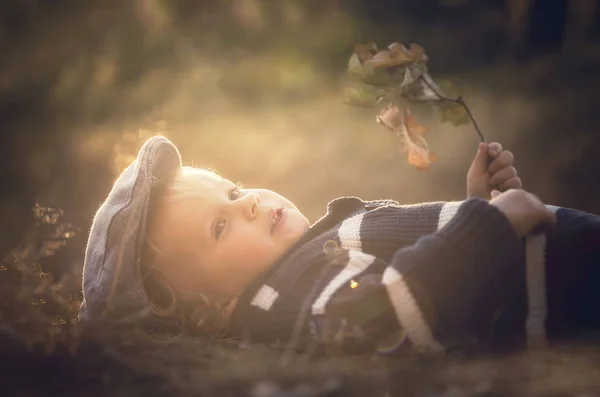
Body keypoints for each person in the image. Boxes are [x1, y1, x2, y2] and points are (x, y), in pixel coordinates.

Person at [79, 136, 600, 355]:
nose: (250, 205)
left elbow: (430, 277)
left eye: (235, 192)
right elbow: (378, 314)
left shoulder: (309, 257)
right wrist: (485, 227)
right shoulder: (280, 300)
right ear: (208, 313)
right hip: (571, 289)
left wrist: (474, 206)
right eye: (220, 227)